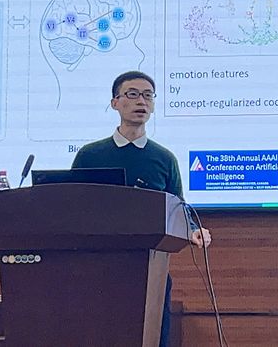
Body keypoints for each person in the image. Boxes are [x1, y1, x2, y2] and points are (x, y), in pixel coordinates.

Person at [72, 70, 211, 347]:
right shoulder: (90, 155)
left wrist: (194, 230)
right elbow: (72, 205)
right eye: (133, 94)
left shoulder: (164, 158)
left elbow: (178, 208)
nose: (141, 101)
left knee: (153, 334)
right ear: (115, 103)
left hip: (151, 265)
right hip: (98, 265)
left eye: (148, 95)